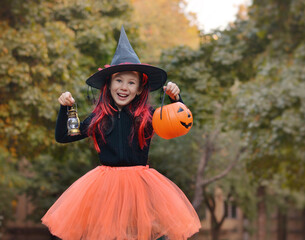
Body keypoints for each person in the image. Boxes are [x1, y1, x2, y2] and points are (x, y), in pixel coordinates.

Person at [41, 27, 201, 240]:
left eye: (131, 82)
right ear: (108, 84)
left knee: (148, 234)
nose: (124, 87)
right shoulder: (98, 118)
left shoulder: (150, 116)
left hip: (141, 188)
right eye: (118, 80)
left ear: (139, 89)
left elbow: (180, 124)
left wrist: (176, 99)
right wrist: (64, 109)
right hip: (105, 188)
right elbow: (63, 136)